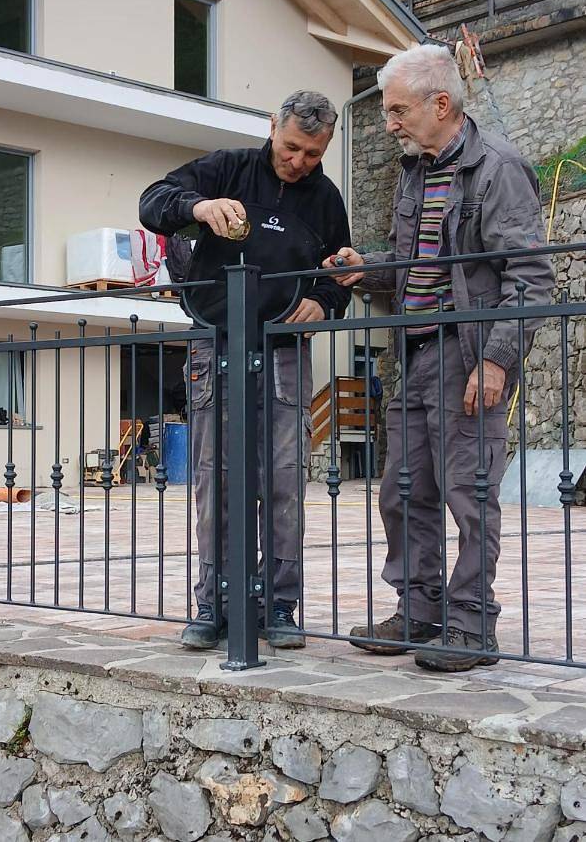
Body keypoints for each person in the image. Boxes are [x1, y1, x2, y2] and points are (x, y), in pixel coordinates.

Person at [325, 44, 554, 672]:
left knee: (468, 493)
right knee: (401, 491)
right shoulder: (415, 172)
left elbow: (531, 279)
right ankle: (419, 611)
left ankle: (473, 625)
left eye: (398, 110)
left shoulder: (498, 170)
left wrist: (497, 361)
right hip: (416, 354)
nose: (389, 122)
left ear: (441, 104)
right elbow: (416, 269)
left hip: (468, 351)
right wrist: (367, 271)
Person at [140, 90, 351, 649]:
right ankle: (213, 603)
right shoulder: (226, 168)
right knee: (214, 478)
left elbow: (340, 270)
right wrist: (198, 208)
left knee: (284, 480)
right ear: (271, 127)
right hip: (214, 342)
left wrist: (326, 301)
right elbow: (152, 200)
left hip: (284, 350)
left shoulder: (326, 199)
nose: (299, 161)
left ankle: (280, 606)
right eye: (291, 147)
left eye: (313, 153)